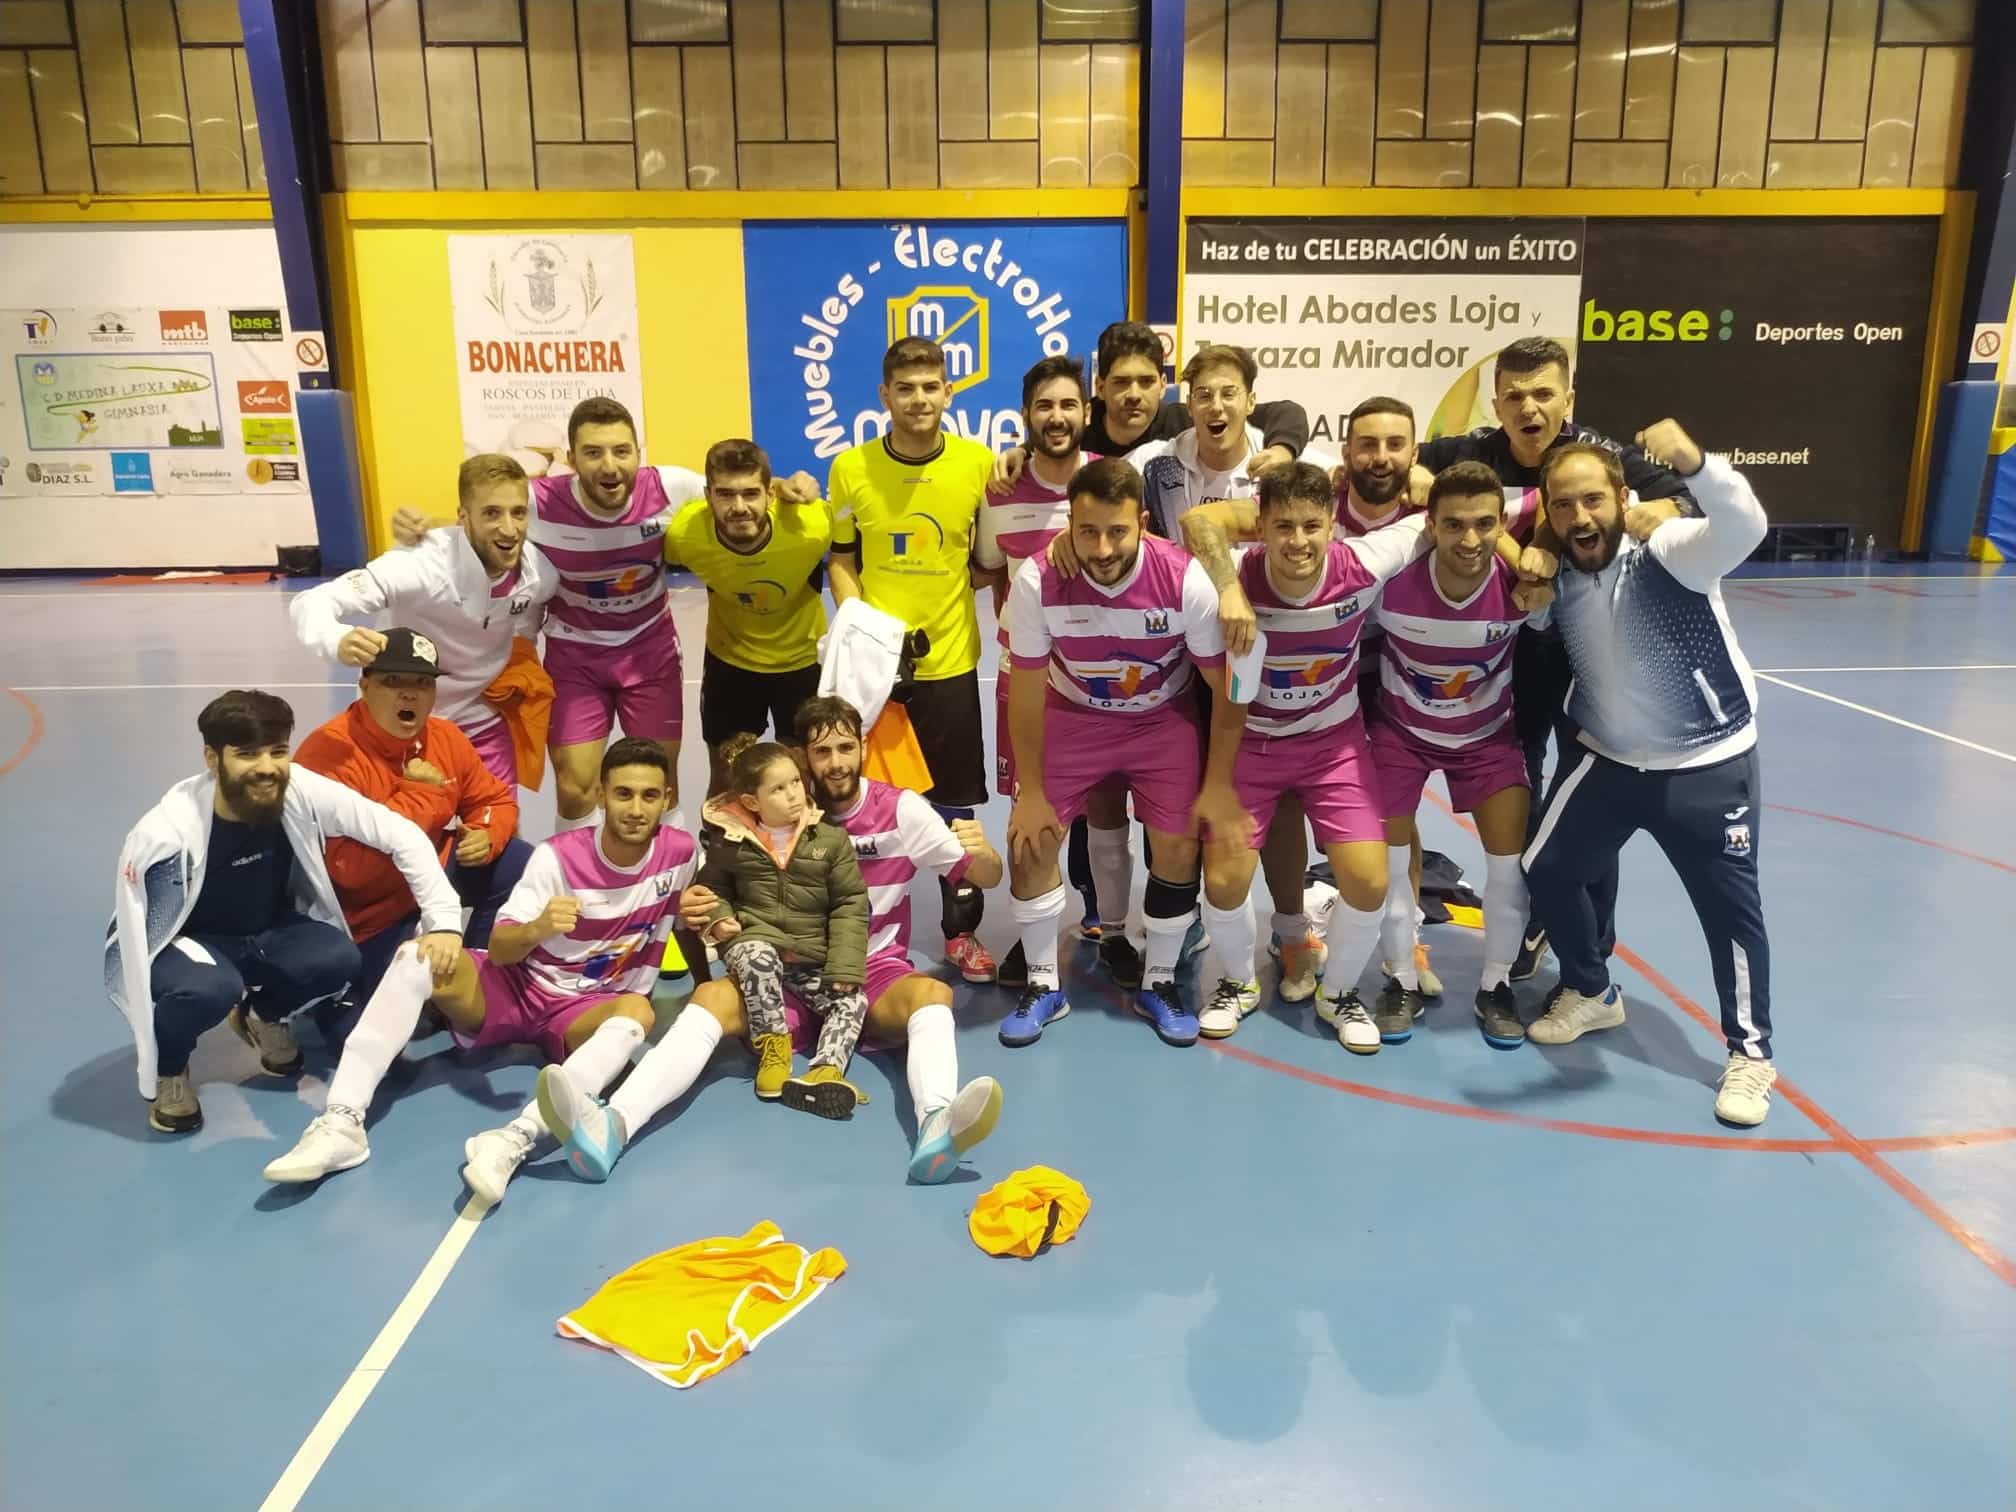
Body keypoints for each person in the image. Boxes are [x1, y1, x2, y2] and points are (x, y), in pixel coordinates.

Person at [536, 696, 1005, 1186]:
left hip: (871, 970)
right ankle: (613, 1125)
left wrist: (984, 853)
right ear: (804, 757)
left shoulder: (901, 811)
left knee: (933, 994)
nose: (837, 763)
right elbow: (721, 886)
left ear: (863, 746)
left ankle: (937, 1124)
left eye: (847, 748)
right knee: (711, 997)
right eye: (823, 753)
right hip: (783, 974)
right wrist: (707, 909)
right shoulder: (755, 817)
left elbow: (984, 876)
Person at [264, 739, 697, 1187]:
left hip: (586, 1010)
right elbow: (502, 946)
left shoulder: (681, 855)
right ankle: (342, 1122)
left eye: (650, 796)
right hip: (518, 985)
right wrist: (538, 928)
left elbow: (692, 915)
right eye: (623, 794)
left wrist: (708, 931)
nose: (636, 808)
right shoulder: (558, 857)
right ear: (602, 795)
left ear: (667, 799)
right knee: (417, 958)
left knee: (637, 1014)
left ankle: (515, 1138)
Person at [1520, 420, 1780, 1126]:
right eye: (1564, 505)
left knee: (1729, 915)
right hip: (1609, 763)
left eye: (1593, 501)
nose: (1580, 517)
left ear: (1621, 496)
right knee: (1545, 867)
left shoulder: (1671, 551)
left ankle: (1751, 1054)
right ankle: (1591, 991)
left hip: (1706, 766)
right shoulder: (1560, 576)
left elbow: (1744, 524)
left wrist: (1696, 464)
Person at [1413, 337, 1693, 980]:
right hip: (1501, 656)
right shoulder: (1471, 451)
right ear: (1496, 401)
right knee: (1523, 785)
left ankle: (1589, 955)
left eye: (1543, 394)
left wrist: (1650, 511)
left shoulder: (1597, 456)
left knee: (1587, 793)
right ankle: (1538, 916)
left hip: (1582, 650)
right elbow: (1403, 466)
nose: (1528, 408)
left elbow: (1686, 500)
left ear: (1568, 398)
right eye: (1514, 395)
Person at [105, 690, 461, 1135]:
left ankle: (263, 1015)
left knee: (338, 959)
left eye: (277, 751)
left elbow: (399, 834)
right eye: (247, 754)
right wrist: (148, 1036)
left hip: (263, 931)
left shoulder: (298, 791)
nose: (267, 767)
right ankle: (171, 1071)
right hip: (186, 943)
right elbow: (137, 929)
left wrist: (444, 922)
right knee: (209, 989)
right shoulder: (166, 832)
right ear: (213, 759)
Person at [1181, 463, 1437, 1049]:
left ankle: (1340, 992)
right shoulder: (1234, 578)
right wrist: (1228, 590)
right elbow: (1197, 521)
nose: (1298, 541)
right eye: (1284, 527)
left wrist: (1421, 480)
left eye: (1312, 526)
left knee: (1369, 881)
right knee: (1223, 882)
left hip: (1334, 747)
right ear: (1260, 527)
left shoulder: (1364, 564)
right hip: (1253, 744)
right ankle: (1239, 985)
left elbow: (1438, 523)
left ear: (1332, 527)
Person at [996, 457, 1247, 1050]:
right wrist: (1029, 793)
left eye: (1116, 531)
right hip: (1073, 717)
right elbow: (1026, 694)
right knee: (1027, 840)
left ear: (1142, 523)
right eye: (1087, 531)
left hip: (1162, 722)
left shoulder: (1184, 580)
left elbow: (1227, 689)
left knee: (1179, 843)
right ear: (1069, 526)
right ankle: (1043, 985)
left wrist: (1219, 782)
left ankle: (1159, 982)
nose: (1102, 547)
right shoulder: (1036, 580)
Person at [827, 336, 996, 984]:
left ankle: (962, 934)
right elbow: (842, 559)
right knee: (862, 808)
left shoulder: (978, 464)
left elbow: (985, 562)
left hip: (950, 666)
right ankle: (860, 935)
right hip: (874, 676)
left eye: (932, 386)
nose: (920, 399)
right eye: (907, 388)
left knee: (955, 814)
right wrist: (864, 629)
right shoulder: (851, 470)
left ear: (949, 392)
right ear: (884, 396)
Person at [973, 355, 1137, 988]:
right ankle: (1035, 938)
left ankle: (1107, 927)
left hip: (1102, 677)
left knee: (1106, 806)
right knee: (1031, 812)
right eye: (1045, 406)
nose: (1058, 416)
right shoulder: (1000, 489)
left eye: (1069, 405)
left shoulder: (1114, 479)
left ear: (1086, 413)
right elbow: (988, 567)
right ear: (1026, 417)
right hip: (1027, 677)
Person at [1366, 462, 1539, 1048]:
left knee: (1506, 869)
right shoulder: (1390, 586)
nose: (1470, 539)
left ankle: (1495, 986)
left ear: (1502, 525)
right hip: (1399, 736)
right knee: (1390, 869)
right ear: (1429, 526)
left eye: (1484, 524)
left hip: (1487, 740)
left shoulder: (1524, 587)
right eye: (1454, 525)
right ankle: (1403, 979)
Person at [293, 627, 531, 1009]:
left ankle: (471, 975)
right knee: (356, 1035)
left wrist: (487, 832)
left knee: (517, 863)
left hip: (429, 886)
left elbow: (495, 800)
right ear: (364, 684)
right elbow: (349, 874)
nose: (409, 694)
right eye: (393, 681)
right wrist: (422, 795)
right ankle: (270, 1008)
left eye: (422, 682)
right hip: (364, 919)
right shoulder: (328, 754)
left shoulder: (446, 737)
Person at [292, 454, 554, 786]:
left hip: (483, 724)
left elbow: (528, 623)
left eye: (518, 513)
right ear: (463, 517)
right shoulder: (420, 566)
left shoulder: (540, 574)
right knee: (402, 832)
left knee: (496, 828)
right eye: (491, 513)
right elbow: (311, 601)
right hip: (401, 723)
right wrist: (336, 639)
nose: (509, 528)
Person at [694, 736, 871, 1120]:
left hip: (809, 958)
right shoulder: (730, 842)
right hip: (757, 941)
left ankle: (825, 1070)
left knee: (853, 1001)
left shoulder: (829, 839)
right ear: (751, 802)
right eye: (778, 788)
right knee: (756, 954)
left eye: (795, 781)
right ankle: (774, 1050)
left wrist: (844, 966)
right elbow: (712, 887)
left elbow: (850, 904)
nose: (794, 794)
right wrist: (719, 918)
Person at [666, 439, 832, 793]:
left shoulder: (810, 527)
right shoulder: (685, 535)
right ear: (708, 495)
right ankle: (722, 847)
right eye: (725, 495)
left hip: (800, 664)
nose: (739, 507)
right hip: (731, 665)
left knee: (802, 780)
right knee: (728, 780)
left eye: (750, 494)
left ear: (770, 495)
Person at [991, 319, 1311, 488]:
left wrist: (1282, 451)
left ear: (1162, 385)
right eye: (1120, 382)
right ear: (1100, 387)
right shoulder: (1083, 428)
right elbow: (1051, 437)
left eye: (1145, 382)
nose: (1133, 394)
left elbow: (1287, 412)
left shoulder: (1185, 421)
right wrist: (1022, 451)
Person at [1124, 343, 1340, 543]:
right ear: (1189, 406)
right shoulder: (1154, 463)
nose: (1216, 406)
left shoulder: (1286, 463)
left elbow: (1347, 481)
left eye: (1228, 394)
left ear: (1250, 402)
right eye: (1204, 396)